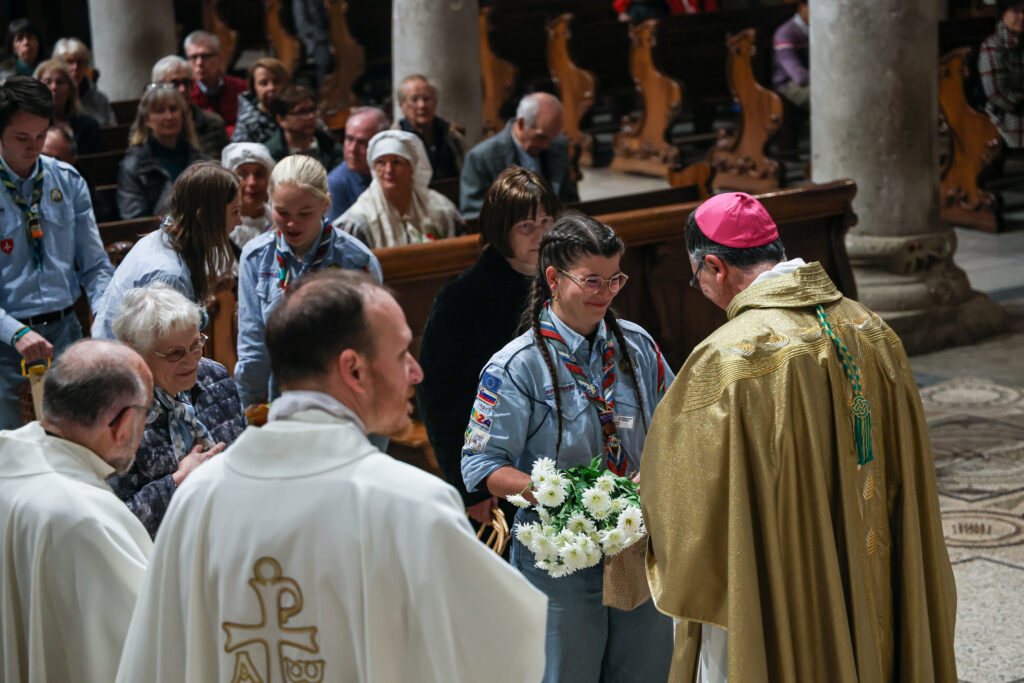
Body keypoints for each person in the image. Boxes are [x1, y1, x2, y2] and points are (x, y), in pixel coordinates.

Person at [115, 270, 548, 682]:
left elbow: (155, 661)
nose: (416, 372)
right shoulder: (412, 504)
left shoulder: (198, 500)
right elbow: (505, 649)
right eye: (401, 354)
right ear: (353, 370)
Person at [640, 192, 958, 681]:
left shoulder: (729, 357)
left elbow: (687, 506)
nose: (700, 287)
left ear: (715, 266)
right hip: (878, 555)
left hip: (788, 586)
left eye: (696, 277)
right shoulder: (870, 327)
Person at [461, 212, 674, 682]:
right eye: (592, 280)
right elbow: (481, 464)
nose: (606, 292)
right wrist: (562, 494)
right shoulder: (517, 366)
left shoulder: (637, 346)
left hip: (635, 547)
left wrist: (657, 472)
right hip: (558, 555)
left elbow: (678, 427)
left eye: (614, 278)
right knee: (565, 673)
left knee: (646, 670)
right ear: (554, 279)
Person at [0, 338, 153, 682]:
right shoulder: (89, 520)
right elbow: (150, 649)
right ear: (124, 425)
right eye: (147, 413)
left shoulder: (10, 457)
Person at [418, 167, 559, 525]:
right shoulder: (462, 299)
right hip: (500, 473)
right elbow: (442, 400)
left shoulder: (570, 284)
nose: (541, 234)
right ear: (501, 230)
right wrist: (472, 487)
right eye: (526, 226)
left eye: (547, 221)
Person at [0, 77, 113, 430]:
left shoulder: (67, 181)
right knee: (15, 461)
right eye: (22, 138)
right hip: (7, 346)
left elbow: (95, 265)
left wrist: (104, 312)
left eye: (41, 135)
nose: (34, 147)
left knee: (78, 446)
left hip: (66, 335)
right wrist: (14, 333)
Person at [235, 154, 382, 408]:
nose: (292, 223)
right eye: (281, 212)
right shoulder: (256, 257)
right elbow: (253, 347)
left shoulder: (357, 261)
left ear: (326, 205)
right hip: (282, 403)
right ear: (269, 203)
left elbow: (374, 347)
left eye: (304, 213)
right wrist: (246, 407)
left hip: (347, 404)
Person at [109, 285, 246, 537]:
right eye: (175, 353)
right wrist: (178, 481)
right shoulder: (116, 413)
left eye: (196, 344)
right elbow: (115, 521)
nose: (193, 360)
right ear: (134, 353)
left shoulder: (213, 377)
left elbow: (244, 453)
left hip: (232, 529)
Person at [94, 162, 240, 338]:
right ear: (203, 216)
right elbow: (167, 351)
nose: (239, 221)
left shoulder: (157, 238)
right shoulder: (170, 275)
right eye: (234, 212)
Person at [460, 92, 579, 219]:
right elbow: (472, 212)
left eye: (552, 137)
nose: (546, 145)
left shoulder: (557, 145)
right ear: (521, 123)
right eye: (541, 137)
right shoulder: (481, 158)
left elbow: (570, 200)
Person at [334, 130, 460, 248]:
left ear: (411, 168)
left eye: (396, 162)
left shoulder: (440, 208)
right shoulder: (361, 218)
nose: (388, 170)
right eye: (381, 163)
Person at [117, 83, 206, 219]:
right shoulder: (133, 165)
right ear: (147, 119)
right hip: (155, 235)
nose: (169, 117)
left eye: (173, 109)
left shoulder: (201, 160)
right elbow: (134, 217)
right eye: (160, 111)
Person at [151, 55, 229, 158]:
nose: (182, 89)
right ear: (159, 88)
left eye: (187, 83)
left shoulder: (213, 122)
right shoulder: (148, 125)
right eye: (175, 83)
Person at [395, 74, 466, 180]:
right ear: (402, 105)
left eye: (426, 99)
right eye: (414, 100)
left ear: (435, 102)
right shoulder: (396, 140)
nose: (422, 105)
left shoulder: (451, 135)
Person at [326, 106, 390, 222]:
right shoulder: (335, 183)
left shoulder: (391, 173)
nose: (352, 149)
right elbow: (338, 236)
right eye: (349, 139)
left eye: (362, 143)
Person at [42, 123, 116, 222]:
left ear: (71, 160)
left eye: (56, 160)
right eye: (43, 157)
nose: (47, 164)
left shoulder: (83, 186)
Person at [34, 58, 104, 154]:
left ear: (70, 89)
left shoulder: (89, 126)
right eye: (48, 82)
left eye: (60, 82)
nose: (54, 87)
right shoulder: (33, 128)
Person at [264, 84, 343, 170]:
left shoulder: (333, 149)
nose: (311, 116)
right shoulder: (269, 156)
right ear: (281, 119)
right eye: (302, 111)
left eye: (313, 110)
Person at [979, 0, 1024, 148]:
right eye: (1016, 11)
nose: (1022, 16)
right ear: (1005, 13)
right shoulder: (993, 46)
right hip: (1010, 120)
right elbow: (998, 95)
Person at [184, 30, 247, 132]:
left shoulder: (241, 87)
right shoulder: (186, 93)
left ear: (219, 58)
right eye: (193, 57)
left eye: (205, 56)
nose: (199, 63)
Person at [221, 141, 276, 251]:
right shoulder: (221, 229)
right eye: (243, 175)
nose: (252, 182)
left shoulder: (279, 218)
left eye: (259, 174)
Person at [51, 37, 115, 126]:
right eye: (69, 62)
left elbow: (113, 130)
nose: (75, 67)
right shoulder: (53, 98)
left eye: (80, 62)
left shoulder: (100, 100)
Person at [232, 56, 289, 144]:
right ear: (254, 88)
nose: (271, 87)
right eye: (263, 83)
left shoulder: (298, 112)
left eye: (276, 81)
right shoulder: (247, 123)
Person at [771, 0, 810, 110]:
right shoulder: (785, 33)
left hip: (813, 81)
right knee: (827, 99)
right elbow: (799, 77)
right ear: (802, 7)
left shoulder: (818, 30)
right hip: (788, 84)